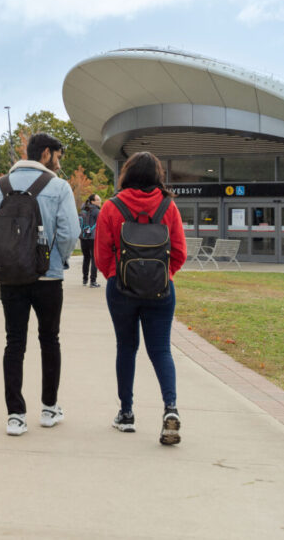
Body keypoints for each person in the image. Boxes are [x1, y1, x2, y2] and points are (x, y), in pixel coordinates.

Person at [0, 132, 79, 436]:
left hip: (11, 277)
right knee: (50, 339)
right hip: (48, 278)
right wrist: (53, 259)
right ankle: (49, 408)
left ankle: (15, 415)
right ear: (46, 154)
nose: (58, 163)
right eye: (57, 156)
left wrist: (10, 253)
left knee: (14, 342)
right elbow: (69, 232)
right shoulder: (59, 187)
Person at [94, 151, 187, 445]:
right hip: (161, 289)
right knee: (161, 350)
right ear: (157, 175)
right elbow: (180, 252)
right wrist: (164, 275)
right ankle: (170, 408)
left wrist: (115, 274)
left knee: (126, 347)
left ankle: (126, 413)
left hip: (121, 289)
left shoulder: (111, 206)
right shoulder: (168, 206)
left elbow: (101, 254)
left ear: (128, 174)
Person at [80, 194, 102, 287]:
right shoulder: (97, 211)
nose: (99, 201)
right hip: (93, 238)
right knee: (94, 259)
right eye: (98, 199)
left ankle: (85, 279)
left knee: (86, 258)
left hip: (83, 237)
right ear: (92, 201)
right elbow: (101, 224)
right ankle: (93, 281)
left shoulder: (83, 210)